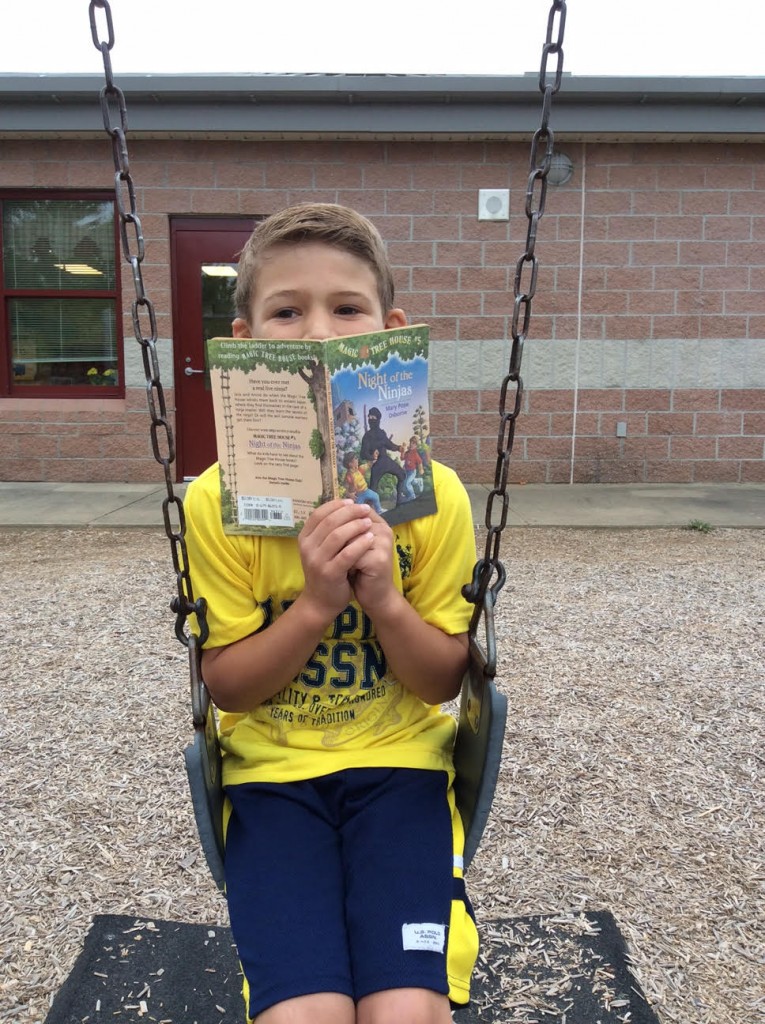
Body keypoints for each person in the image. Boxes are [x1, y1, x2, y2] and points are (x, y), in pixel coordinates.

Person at [184, 203, 479, 1024]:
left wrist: (382, 599)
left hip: (401, 768)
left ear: (389, 332)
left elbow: (440, 682)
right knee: (302, 1013)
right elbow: (229, 687)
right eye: (287, 311)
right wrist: (316, 605)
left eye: (345, 308)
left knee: (406, 1009)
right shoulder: (214, 503)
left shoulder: (434, 497)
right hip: (272, 778)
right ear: (245, 340)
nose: (317, 330)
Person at [359, 406, 408, 505]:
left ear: (378, 419)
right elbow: (363, 453)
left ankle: (399, 500)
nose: (371, 419)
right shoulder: (367, 436)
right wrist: (372, 456)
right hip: (376, 465)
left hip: (386, 461)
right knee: (372, 490)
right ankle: (368, 509)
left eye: (373, 417)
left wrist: (399, 448)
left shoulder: (381, 433)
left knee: (402, 474)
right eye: (369, 417)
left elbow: (388, 444)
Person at [401, 435, 425, 499]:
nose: (412, 444)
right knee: (411, 481)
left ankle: (412, 496)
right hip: (406, 471)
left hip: (412, 472)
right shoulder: (407, 452)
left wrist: (421, 469)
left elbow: (420, 462)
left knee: (407, 484)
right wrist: (402, 451)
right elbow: (402, 458)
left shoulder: (415, 454)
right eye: (411, 443)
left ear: (416, 445)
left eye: (414, 443)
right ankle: (419, 481)